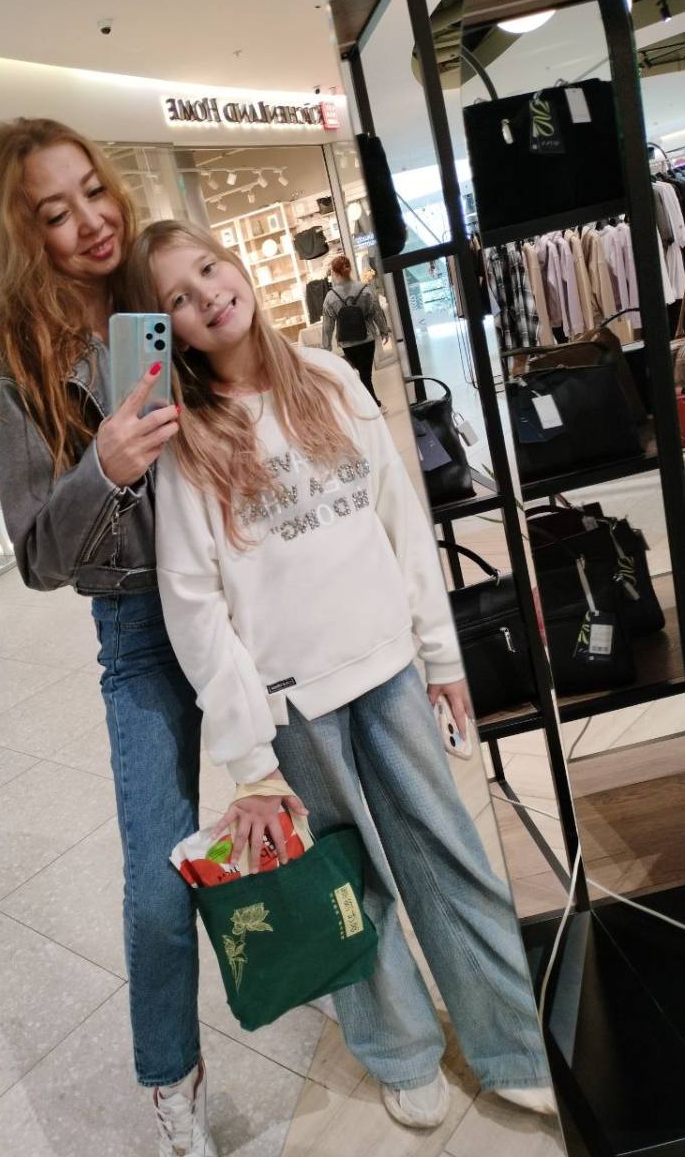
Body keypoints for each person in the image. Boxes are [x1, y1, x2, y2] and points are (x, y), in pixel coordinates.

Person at [125, 219, 556, 1131]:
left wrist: (441, 656)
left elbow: (401, 522)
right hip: (294, 709)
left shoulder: (329, 378)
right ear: (169, 330)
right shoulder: (186, 443)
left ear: (236, 264)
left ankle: (513, 1041)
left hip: (390, 669)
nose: (208, 296)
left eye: (210, 268)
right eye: (177, 299)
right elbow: (194, 610)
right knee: (345, 884)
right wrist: (249, 759)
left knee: (450, 856)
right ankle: (400, 1051)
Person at [0, 119, 233, 1157]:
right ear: (22, 232)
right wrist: (108, 468)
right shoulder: (14, 361)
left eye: (93, 189)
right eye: (55, 211)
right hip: (139, 627)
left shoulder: (153, 284)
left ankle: (382, 1018)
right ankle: (171, 1078)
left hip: (244, 590)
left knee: (328, 803)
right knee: (161, 888)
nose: (91, 220)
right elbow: (39, 556)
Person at [321, 253, 389, 405]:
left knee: (361, 374)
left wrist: (326, 347)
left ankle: (371, 404)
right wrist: (384, 330)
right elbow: (376, 312)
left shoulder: (330, 297)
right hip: (367, 338)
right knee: (365, 375)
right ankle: (374, 404)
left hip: (347, 343)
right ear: (349, 269)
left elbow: (327, 325)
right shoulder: (365, 289)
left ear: (335, 273)